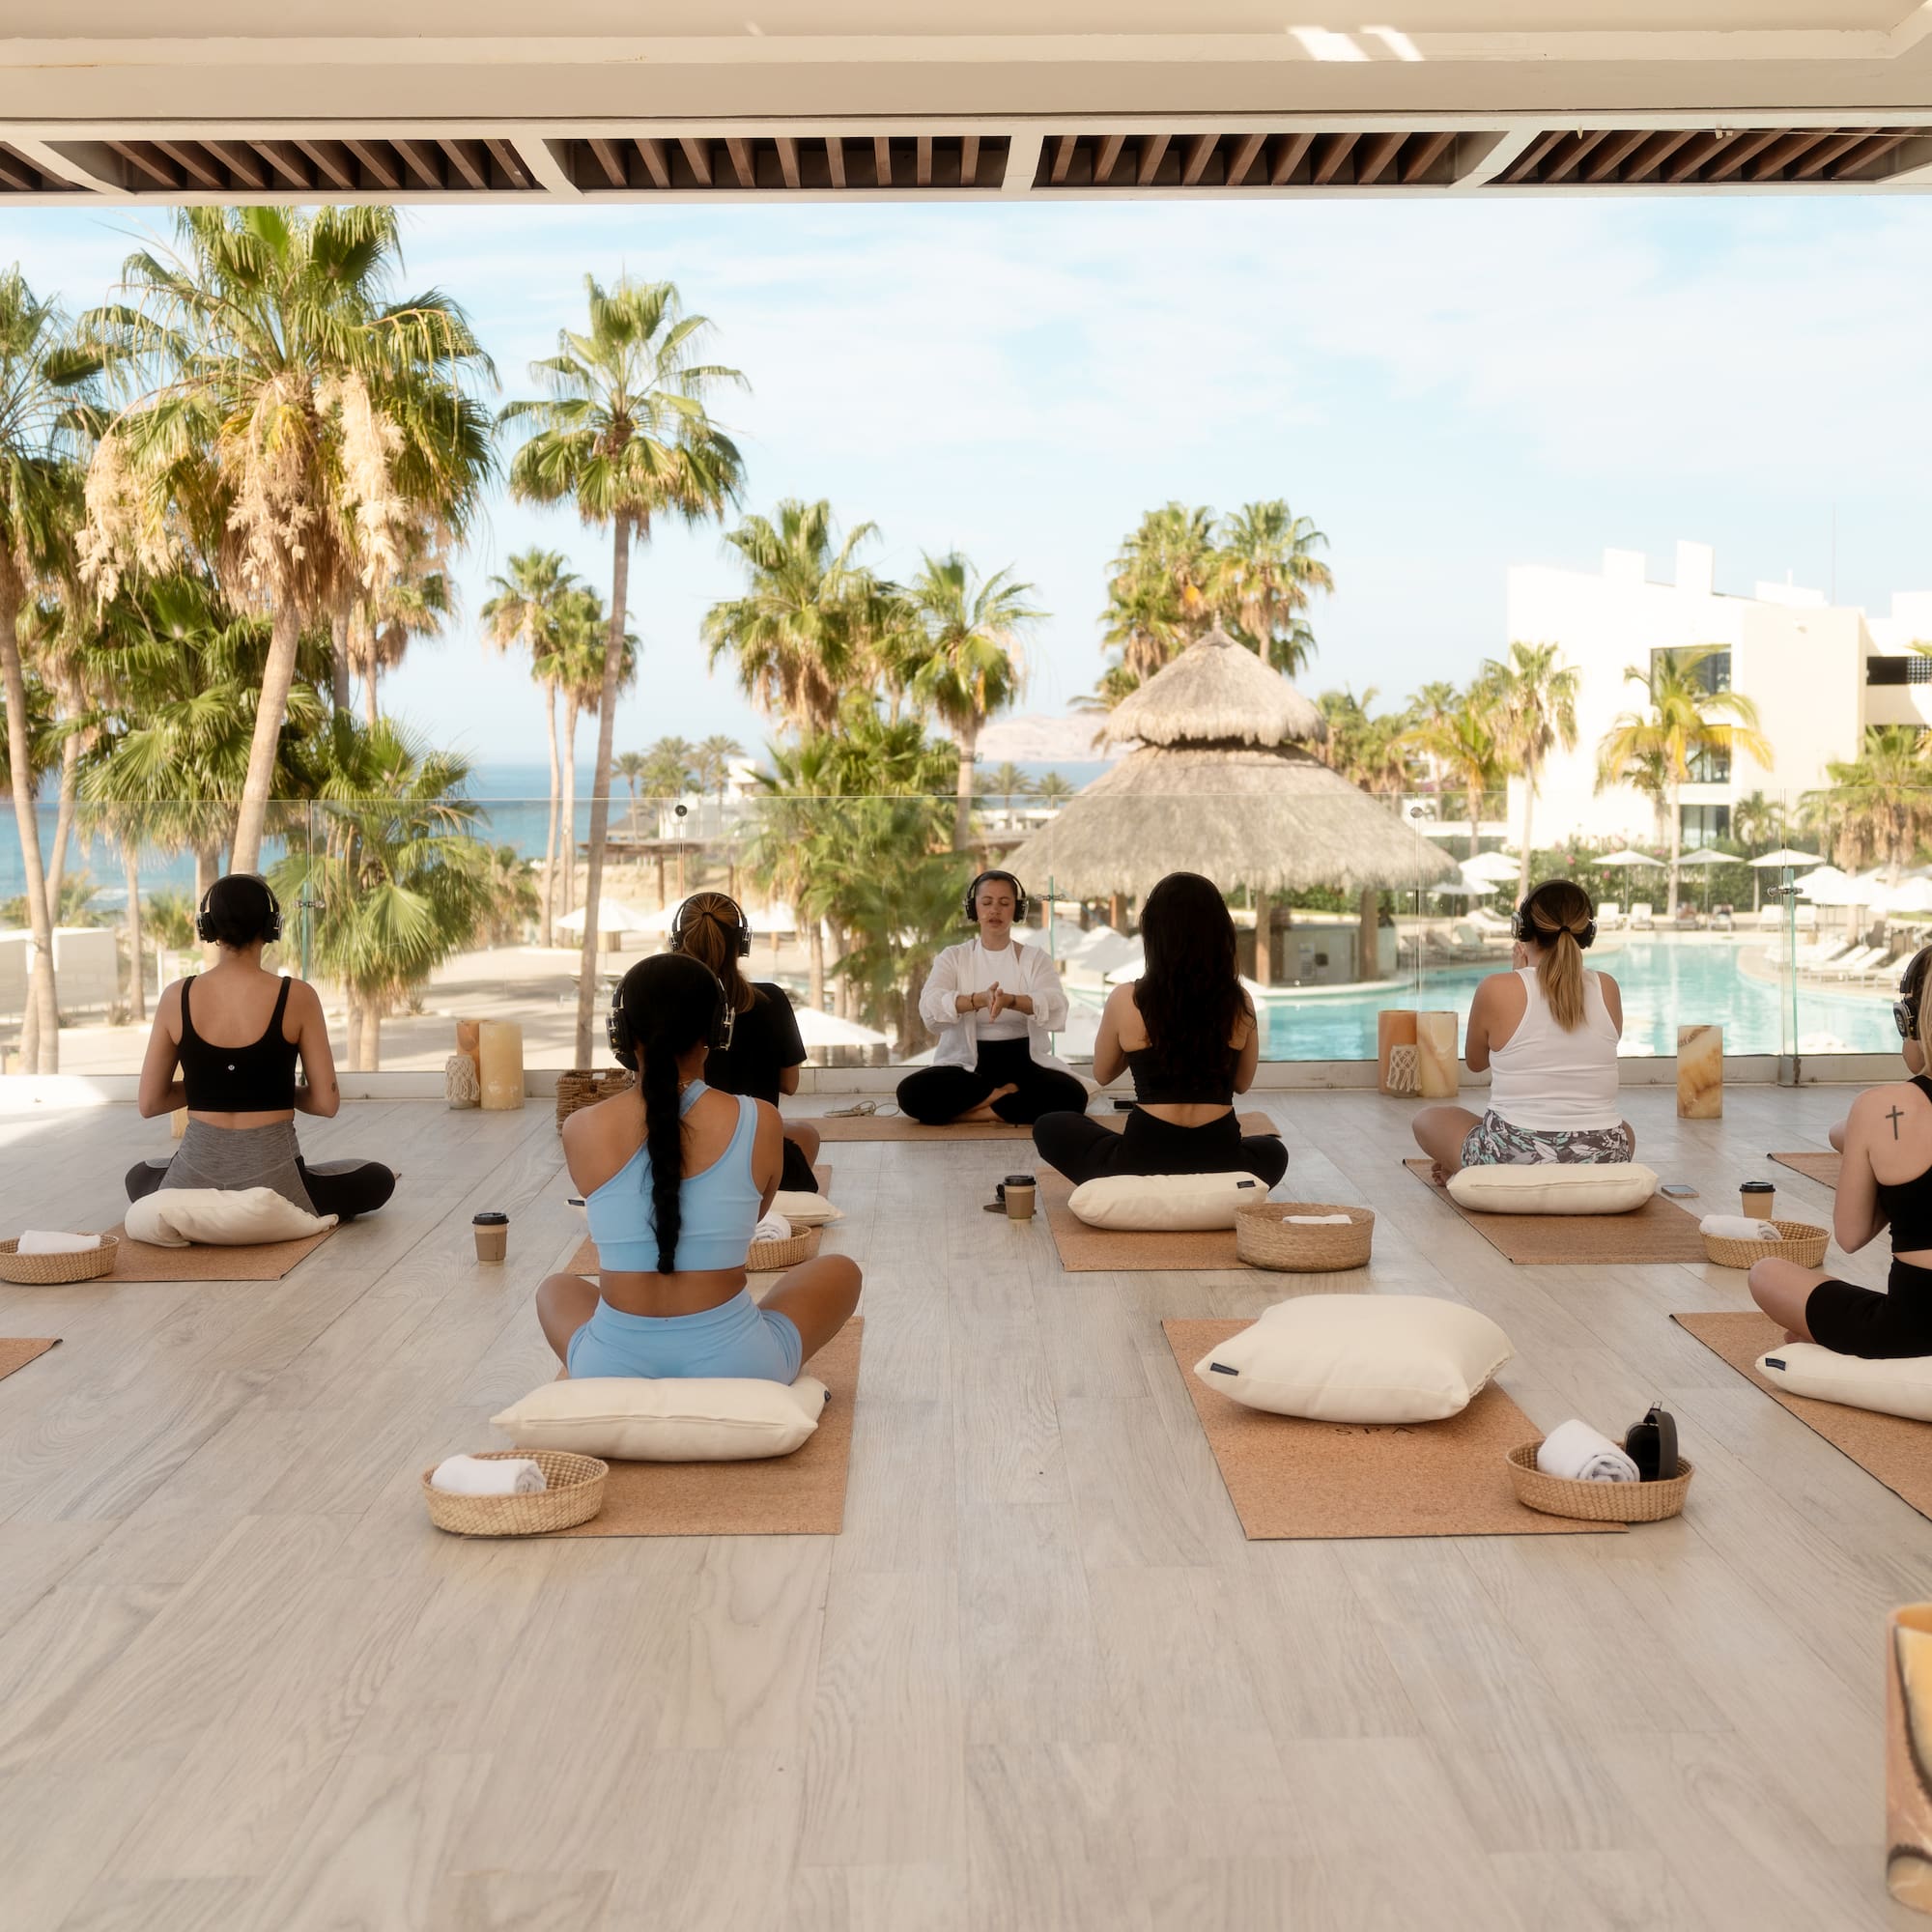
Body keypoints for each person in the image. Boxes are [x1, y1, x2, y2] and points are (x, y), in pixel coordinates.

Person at [536, 952, 861, 1379]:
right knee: (841, 1270)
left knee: (555, 1288)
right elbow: (753, 1218)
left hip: (609, 1364)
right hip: (740, 1364)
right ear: (717, 1030)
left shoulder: (580, 1128)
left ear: (622, 1034)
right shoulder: (759, 1119)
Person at [126, 873, 395, 1218]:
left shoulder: (176, 996)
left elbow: (150, 1103)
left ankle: (196, 1212)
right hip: (278, 1190)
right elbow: (327, 1104)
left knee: (139, 1175)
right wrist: (272, 1089)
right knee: (377, 1177)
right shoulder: (297, 996)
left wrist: (214, 1086)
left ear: (207, 928)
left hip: (191, 1184)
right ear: (272, 926)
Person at [1033, 870, 1287, 1186]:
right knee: (1273, 1151)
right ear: (1220, 931)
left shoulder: (1127, 998)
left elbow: (1102, 1073)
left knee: (1050, 1125)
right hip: (1221, 1158)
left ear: (1154, 933)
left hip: (1142, 1159)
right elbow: (1242, 1083)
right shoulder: (1239, 1000)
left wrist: (1141, 1044)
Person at [1747, 945, 1932, 1358]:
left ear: (1912, 1023)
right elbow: (1840, 1135)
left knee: (1766, 1273)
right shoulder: (1879, 1113)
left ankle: (1826, 1340)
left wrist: (1891, 1175)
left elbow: (1849, 1236)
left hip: (1914, 1330)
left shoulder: (1880, 1107)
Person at [1411, 878, 1634, 1182]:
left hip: (1511, 1158)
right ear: (1588, 933)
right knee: (1625, 1132)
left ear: (1522, 931)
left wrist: (1518, 977)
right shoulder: (1608, 987)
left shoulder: (1497, 988)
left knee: (1428, 1120)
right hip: (1602, 1155)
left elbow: (1476, 1063)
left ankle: (1469, 1166)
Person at [895, 869, 1089, 1125]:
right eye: (987, 902)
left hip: (1024, 1063)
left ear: (1016, 910)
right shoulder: (953, 957)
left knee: (1073, 1095)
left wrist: (1012, 1001)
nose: (995, 910)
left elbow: (1055, 1003)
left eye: (1004, 903)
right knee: (910, 1093)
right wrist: (976, 1000)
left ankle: (975, 1113)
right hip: (967, 1066)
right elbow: (930, 1006)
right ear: (973, 908)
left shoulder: (1034, 958)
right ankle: (1003, 1098)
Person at [669, 891, 821, 1193]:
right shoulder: (771, 1000)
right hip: (751, 1150)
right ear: (742, 943)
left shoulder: (663, 1003)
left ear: (676, 940)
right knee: (807, 1135)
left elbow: (640, 1083)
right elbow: (789, 1084)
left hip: (680, 1156)